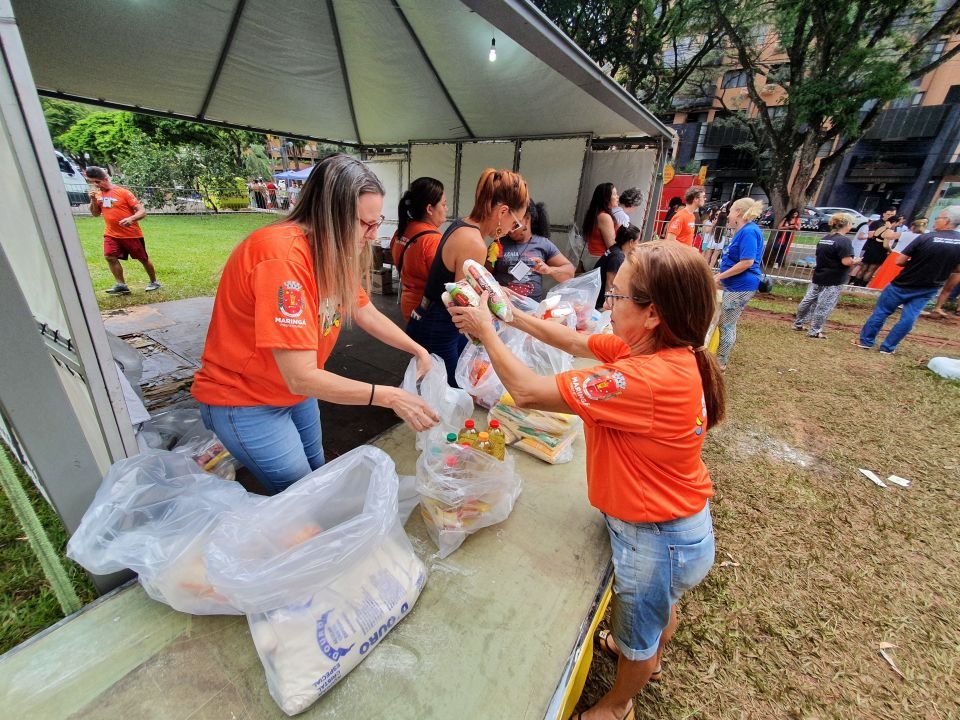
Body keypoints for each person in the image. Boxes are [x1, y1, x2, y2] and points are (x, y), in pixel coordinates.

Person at [447, 241, 724, 720]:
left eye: (615, 298)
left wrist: (486, 332)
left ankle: (618, 704)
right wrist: (507, 312)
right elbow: (575, 342)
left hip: (656, 539)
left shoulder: (641, 379)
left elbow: (528, 393)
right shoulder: (666, 352)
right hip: (679, 532)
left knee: (637, 633)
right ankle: (646, 655)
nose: (606, 307)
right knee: (658, 609)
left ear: (653, 313)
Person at [191, 155, 439, 494]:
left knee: (318, 475)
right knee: (300, 493)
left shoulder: (333, 249)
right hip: (246, 400)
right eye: (365, 224)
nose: (372, 234)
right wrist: (389, 396)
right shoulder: (281, 258)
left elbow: (363, 310)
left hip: (296, 394)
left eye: (377, 221)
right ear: (329, 216)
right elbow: (301, 374)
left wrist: (417, 349)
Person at [406, 168, 529, 386]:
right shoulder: (474, 243)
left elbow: (468, 284)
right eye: (516, 222)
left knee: (436, 388)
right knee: (450, 391)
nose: (512, 229)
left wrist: (495, 287)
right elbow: (465, 305)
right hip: (440, 325)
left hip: (430, 317)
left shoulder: (463, 225)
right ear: (502, 212)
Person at [855, 206, 960, 354]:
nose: (935, 221)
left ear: (947, 221)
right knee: (910, 316)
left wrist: (915, 263)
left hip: (904, 283)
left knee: (882, 311)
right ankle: (888, 347)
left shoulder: (926, 238)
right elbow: (958, 269)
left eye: (938, 218)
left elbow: (900, 261)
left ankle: (866, 341)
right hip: (929, 286)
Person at [85, 166, 160, 295]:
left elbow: (142, 211)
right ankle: (121, 285)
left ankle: (154, 282)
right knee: (109, 256)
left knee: (143, 258)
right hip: (111, 233)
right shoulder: (97, 195)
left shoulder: (123, 192)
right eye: (92, 183)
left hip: (131, 234)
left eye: (97, 182)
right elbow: (96, 213)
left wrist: (131, 219)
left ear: (105, 178)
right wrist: (92, 200)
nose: (96, 185)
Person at [713, 198, 765, 371]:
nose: (728, 215)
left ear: (739, 212)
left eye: (731, 211)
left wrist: (720, 276)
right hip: (735, 284)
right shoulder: (744, 231)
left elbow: (747, 262)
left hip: (740, 286)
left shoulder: (749, 231)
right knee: (726, 322)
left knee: (727, 324)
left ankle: (720, 362)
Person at [793, 213, 860, 339]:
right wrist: (856, 261)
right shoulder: (844, 241)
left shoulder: (825, 238)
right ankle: (815, 330)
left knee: (808, 300)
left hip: (819, 275)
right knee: (825, 304)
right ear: (847, 225)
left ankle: (798, 323)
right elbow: (846, 261)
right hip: (834, 278)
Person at [492, 200, 574, 302]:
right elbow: (484, 274)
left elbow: (570, 273)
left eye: (515, 224)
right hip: (503, 304)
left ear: (527, 219)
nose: (510, 230)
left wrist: (550, 270)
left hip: (532, 307)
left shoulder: (543, 243)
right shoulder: (498, 244)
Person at [390, 177, 447, 321]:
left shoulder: (401, 232)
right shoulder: (432, 240)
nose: (446, 209)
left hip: (408, 304)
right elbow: (442, 282)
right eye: (444, 204)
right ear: (429, 209)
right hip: (428, 311)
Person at [595, 224, 641, 309]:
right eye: (638, 241)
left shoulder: (615, 248)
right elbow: (610, 283)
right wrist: (609, 307)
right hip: (598, 302)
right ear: (631, 242)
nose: (639, 244)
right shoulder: (617, 258)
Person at [850, 207, 897, 286]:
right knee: (865, 268)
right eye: (888, 214)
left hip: (878, 250)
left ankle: (861, 284)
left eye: (892, 215)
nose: (890, 216)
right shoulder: (878, 223)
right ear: (884, 214)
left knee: (870, 269)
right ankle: (857, 284)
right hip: (872, 248)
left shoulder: (891, 227)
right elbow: (871, 235)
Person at [583, 183, 621, 260]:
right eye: (614, 194)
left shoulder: (597, 213)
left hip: (594, 257)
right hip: (601, 259)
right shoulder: (604, 217)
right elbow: (611, 245)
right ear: (606, 198)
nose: (617, 197)